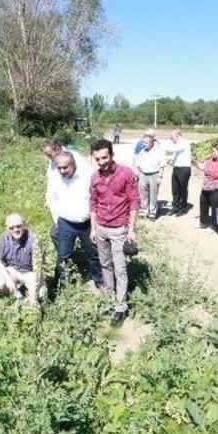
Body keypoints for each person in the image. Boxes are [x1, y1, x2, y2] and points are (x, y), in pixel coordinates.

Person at [89, 138, 139, 327]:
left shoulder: (126, 174)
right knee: (105, 264)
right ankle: (110, 294)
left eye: (105, 157)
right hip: (101, 227)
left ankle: (121, 307)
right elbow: (93, 204)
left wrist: (131, 230)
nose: (102, 162)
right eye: (98, 159)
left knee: (120, 269)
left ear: (111, 155)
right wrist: (93, 228)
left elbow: (134, 202)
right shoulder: (95, 178)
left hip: (119, 229)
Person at [47, 150, 104, 289]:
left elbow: (97, 198)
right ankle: (64, 285)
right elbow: (51, 198)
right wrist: (57, 220)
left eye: (65, 167)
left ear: (73, 165)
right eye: (59, 167)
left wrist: (95, 224)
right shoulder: (55, 178)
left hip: (87, 224)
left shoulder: (87, 176)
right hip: (65, 223)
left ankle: (99, 281)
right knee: (63, 256)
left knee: (93, 254)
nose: (62, 170)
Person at [0, 213, 43, 305]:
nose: (15, 230)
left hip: (30, 272)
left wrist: (33, 294)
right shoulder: (4, 239)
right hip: (12, 269)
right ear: (7, 228)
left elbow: (38, 268)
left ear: (24, 225)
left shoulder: (34, 240)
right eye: (11, 228)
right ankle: (15, 290)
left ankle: (27, 291)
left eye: (19, 226)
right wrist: (8, 279)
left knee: (41, 294)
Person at [42, 139, 91, 222]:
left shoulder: (74, 158)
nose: (49, 158)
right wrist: (48, 198)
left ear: (57, 149)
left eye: (49, 155)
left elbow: (88, 178)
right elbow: (51, 180)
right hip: (63, 208)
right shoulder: (54, 160)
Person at [132, 131, 165, 220]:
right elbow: (137, 163)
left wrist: (160, 177)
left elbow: (162, 165)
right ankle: (144, 210)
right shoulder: (142, 151)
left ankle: (152, 212)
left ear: (152, 143)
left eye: (146, 143)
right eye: (143, 142)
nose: (144, 144)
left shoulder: (158, 151)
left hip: (154, 175)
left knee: (153, 195)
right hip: (143, 174)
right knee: (143, 194)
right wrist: (137, 173)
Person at [166, 129, 192, 212]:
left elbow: (172, 150)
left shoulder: (184, 143)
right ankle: (175, 205)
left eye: (172, 137)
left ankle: (183, 205)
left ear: (178, 136)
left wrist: (164, 148)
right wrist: (171, 160)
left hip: (184, 168)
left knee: (182, 188)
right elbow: (174, 155)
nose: (171, 139)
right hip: (176, 168)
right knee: (175, 188)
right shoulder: (177, 144)